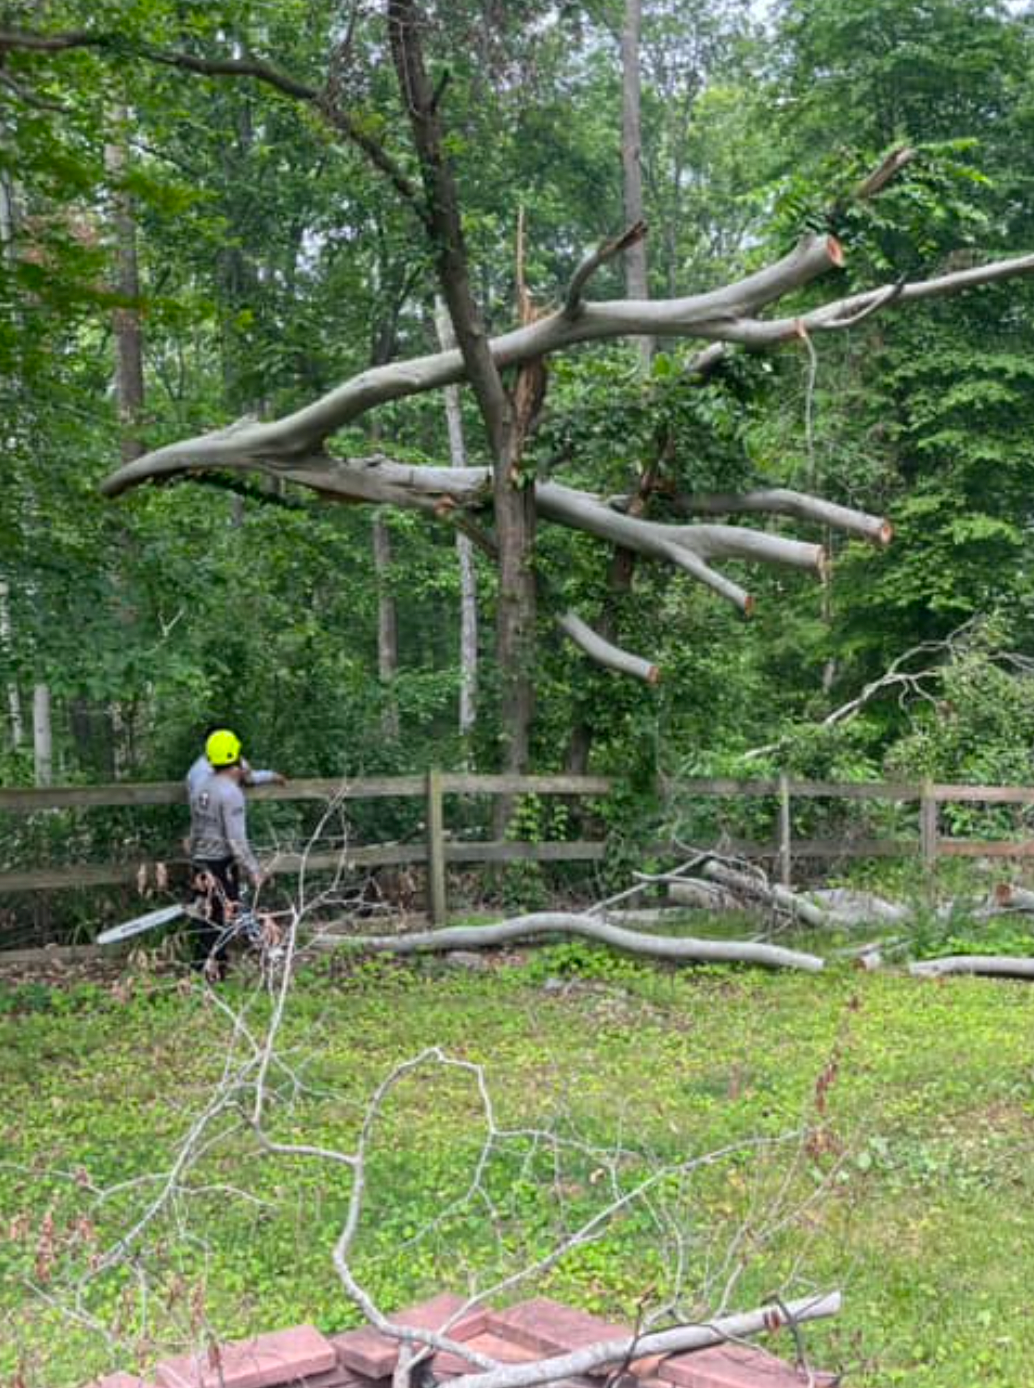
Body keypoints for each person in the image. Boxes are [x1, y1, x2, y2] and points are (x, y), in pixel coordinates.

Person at [187, 728, 267, 979]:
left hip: (200, 859)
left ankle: (206, 965)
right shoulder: (230, 793)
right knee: (221, 916)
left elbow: (196, 825)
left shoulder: (202, 785)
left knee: (205, 916)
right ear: (236, 757)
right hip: (220, 862)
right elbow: (236, 839)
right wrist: (253, 868)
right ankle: (213, 970)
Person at [186, 724, 285, 799]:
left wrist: (271, 775)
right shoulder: (200, 770)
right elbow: (203, 799)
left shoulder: (232, 760)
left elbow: (249, 777)